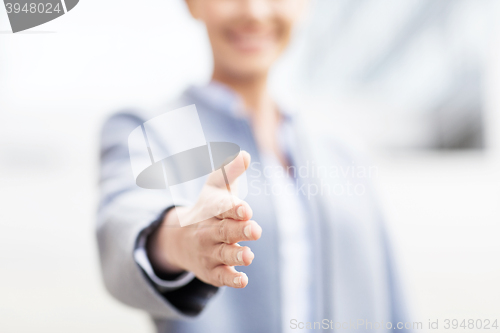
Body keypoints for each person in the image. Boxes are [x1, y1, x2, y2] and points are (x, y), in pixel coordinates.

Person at [97, 0, 410, 332]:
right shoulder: (148, 132)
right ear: (192, 4)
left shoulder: (344, 153)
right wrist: (180, 240)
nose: (255, 11)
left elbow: (393, 304)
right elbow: (123, 222)